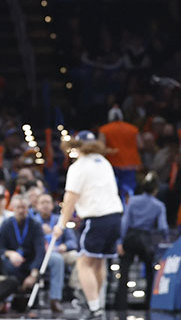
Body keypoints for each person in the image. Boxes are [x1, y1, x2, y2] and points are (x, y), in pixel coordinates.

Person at [53, 131, 124, 320]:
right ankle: (97, 303)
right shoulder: (103, 162)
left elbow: (70, 199)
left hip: (97, 218)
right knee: (98, 262)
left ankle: (94, 308)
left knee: (83, 263)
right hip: (116, 216)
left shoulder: (78, 167)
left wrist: (61, 223)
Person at [0, 195, 63, 312]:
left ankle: (55, 299)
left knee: (57, 260)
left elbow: (40, 250)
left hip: (32, 258)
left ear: (28, 208)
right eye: (18, 207)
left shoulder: (35, 224)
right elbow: (0, 248)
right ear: (12, 208)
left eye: (24, 207)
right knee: (5, 263)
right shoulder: (6, 224)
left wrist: (34, 273)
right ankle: (5, 298)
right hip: (14, 261)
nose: (21, 210)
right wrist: (11, 253)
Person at [115, 175, 167, 310]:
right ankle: (149, 303)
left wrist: (120, 241)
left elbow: (124, 222)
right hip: (146, 239)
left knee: (124, 271)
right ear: (155, 190)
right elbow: (163, 227)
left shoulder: (132, 201)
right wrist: (164, 238)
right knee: (150, 272)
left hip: (131, 237)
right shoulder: (159, 205)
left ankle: (121, 305)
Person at [97, 110, 141, 200]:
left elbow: (100, 148)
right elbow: (141, 144)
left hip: (112, 165)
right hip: (130, 165)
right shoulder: (133, 129)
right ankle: (128, 211)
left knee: (112, 191)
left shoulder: (104, 129)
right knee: (129, 192)